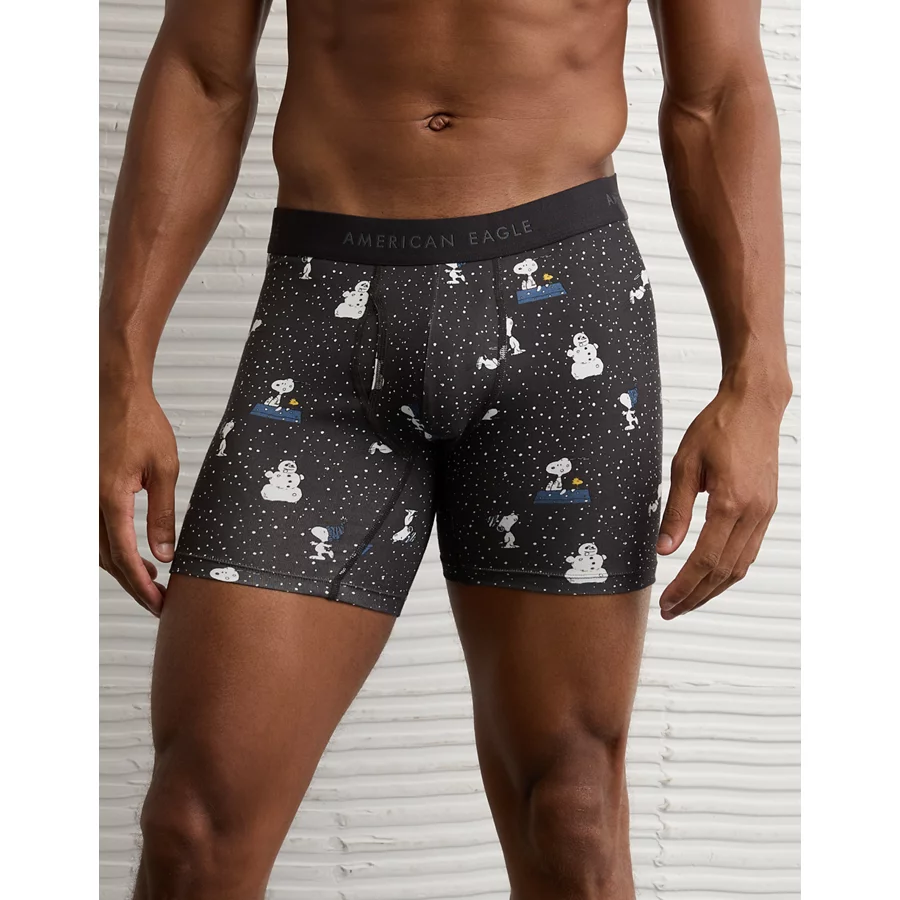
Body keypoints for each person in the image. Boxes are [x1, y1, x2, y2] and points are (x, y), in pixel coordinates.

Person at [98, 1, 792, 897]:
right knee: (191, 825)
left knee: (572, 812)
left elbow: (718, 91)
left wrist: (756, 386)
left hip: (567, 312)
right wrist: (120, 379)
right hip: (321, 321)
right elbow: (201, 73)